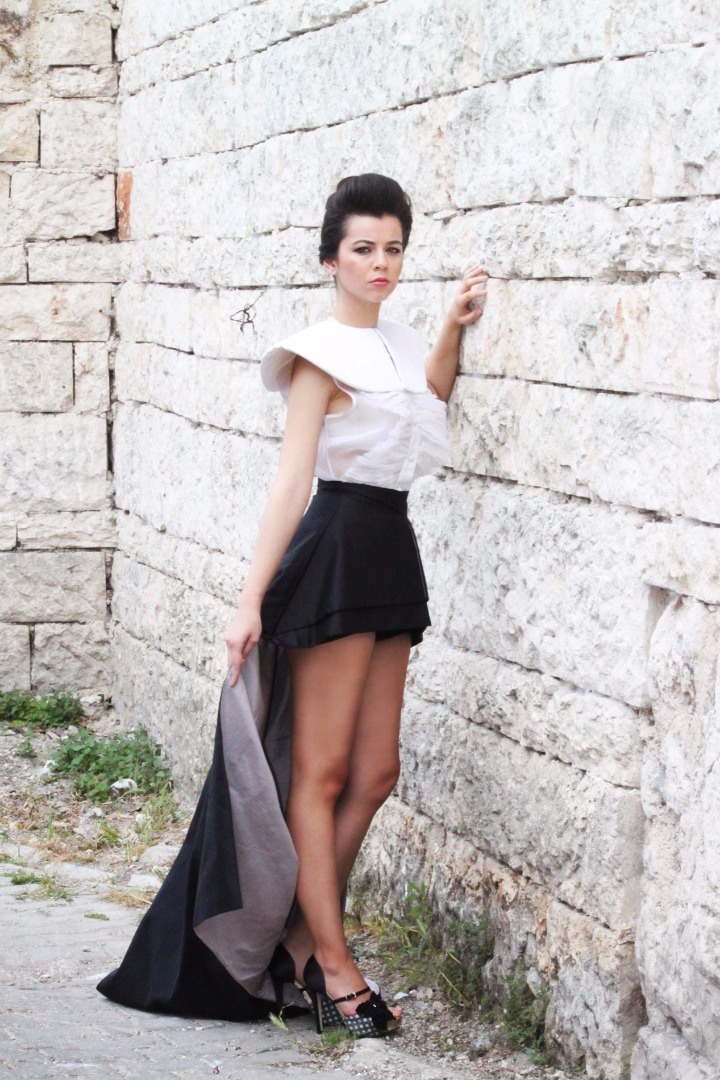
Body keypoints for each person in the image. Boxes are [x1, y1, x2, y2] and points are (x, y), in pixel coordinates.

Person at [97, 173, 487, 1038]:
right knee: (320, 774)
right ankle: (333, 969)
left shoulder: (402, 343)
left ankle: (307, 939)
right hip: (335, 552)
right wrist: (248, 603)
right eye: (364, 249)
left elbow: (424, 404)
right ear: (330, 259)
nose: (381, 264)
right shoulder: (315, 356)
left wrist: (451, 331)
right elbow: (290, 484)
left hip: (391, 549)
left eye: (393, 249)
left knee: (376, 774)